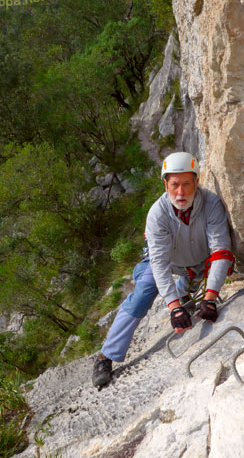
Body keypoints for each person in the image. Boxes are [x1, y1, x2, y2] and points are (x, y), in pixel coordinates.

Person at [92, 151, 234, 388]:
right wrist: (173, 308)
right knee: (143, 292)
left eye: (187, 184)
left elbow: (221, 250)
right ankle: (105, 356)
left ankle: (186, 292)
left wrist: (210, 297)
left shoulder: (211, 204)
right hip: (167, 262)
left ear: (196, 182)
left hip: (199, 262)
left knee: (201, 283)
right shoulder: (157, 214)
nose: (181, 192)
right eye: (175, 185)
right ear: (165, 184)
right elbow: (158, 263)